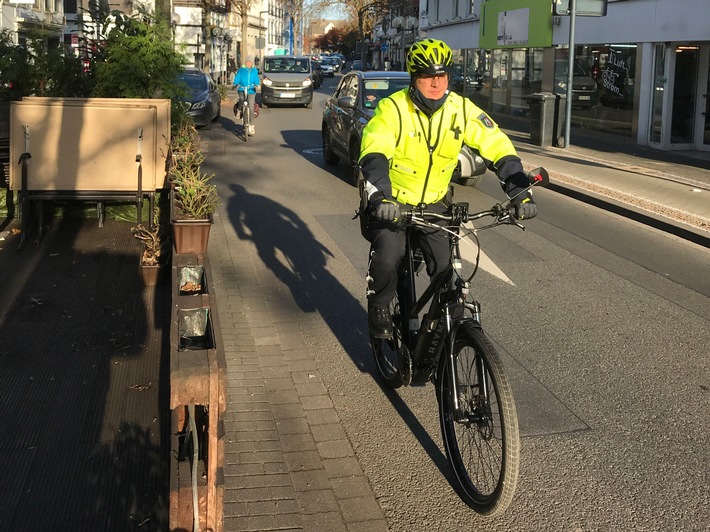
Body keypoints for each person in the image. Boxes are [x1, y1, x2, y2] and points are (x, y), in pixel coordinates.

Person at [359, 38, 538, 338]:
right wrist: (380, 196)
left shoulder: (461, 109)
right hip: (393, 203)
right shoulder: (393, 109)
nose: (436, 83)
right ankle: (379, 307)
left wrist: (520, 189)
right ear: (414, 78)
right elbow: (374, 151)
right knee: (389, 257)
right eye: (428, 76)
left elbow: (496, 145)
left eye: (441, 76)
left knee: (450, 277)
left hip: (434, 206)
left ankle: (445, 343)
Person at [233, 60, 261, 136]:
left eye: (250, 62)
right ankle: (239, 110)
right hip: (242, 89)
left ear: (252, 63)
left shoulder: (254, 70)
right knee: (241, 99)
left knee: (251, 107)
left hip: (251, 90)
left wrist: (257, 85)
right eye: (248, 62)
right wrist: (235, 83)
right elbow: (238, 77)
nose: (249, 64)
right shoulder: (241, 70)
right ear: (245, 63)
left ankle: (251, 125)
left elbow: (256, 78)